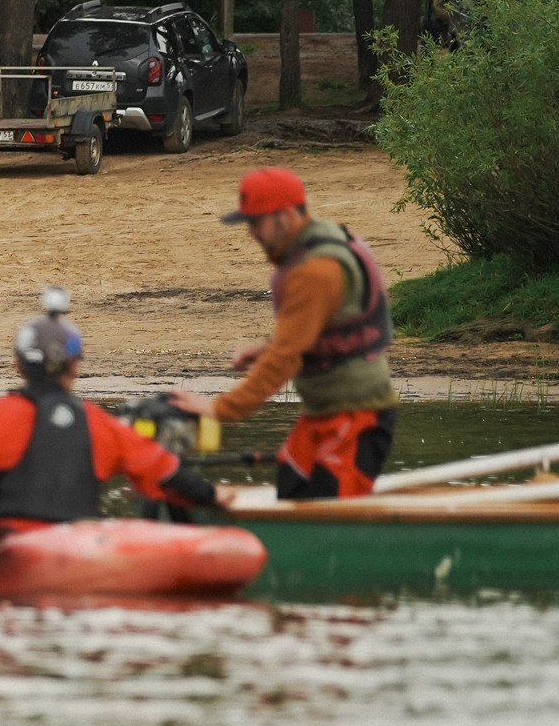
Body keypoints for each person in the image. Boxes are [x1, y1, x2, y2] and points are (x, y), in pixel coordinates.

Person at [165, 167, 400, 499]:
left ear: (287, 216)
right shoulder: (315, 246)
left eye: (256, 222)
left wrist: (220, 409)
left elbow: (285, 359)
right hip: (323, 413)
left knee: (322, 508)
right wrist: (264, 347)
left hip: (359, 416)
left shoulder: (316, 271)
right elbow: (317, 329)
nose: (251, 233)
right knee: (290, 486)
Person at [0, 308, 233, 551]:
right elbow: (168, 476)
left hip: (8, 550)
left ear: (18, 366)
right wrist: (213, 494)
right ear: (75, 367)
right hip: (80, 548)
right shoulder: (104, 426)